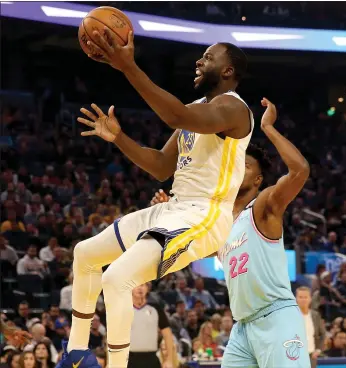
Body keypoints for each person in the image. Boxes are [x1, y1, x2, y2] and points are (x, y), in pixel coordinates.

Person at [58, 29, 253, 368]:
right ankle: (76, 353)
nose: (199, 60)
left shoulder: (234, 109)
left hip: (206, 214)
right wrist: (119, 138)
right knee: (86, 254)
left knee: (117, 279)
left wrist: (128, 67)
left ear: (228, 71)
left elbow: (175, 115)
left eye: (208, 57)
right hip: (174, 208)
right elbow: (162, 166)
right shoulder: (197, 108)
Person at [151, 99, 311, 367]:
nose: (238, 168)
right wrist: (167, 213)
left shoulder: (262, 206)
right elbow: (189, 246)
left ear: (259, 180)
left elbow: (300, 170)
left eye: (246, 166)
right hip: (242, 327)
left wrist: (268, 127)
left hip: (276, 317)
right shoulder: (221, 221)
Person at [128, 283, 174, 368]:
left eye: (143, 285)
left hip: (151, 359)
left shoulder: (156, 308)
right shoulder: (123, 309)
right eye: (137, 285)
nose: (140, 288)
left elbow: (167, 335)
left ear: (148, 288)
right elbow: (113, 336)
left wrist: (169, 359)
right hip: (128, 359)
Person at [296, 286, 325, 368]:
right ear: (296, 299)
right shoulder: (291, 316)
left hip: (311, 356)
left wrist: (318, 350)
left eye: (305, 297)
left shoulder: (315, 315)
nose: (303, 299)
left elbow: (323, 334)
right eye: (300, 297)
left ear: (310, 298)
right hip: (294, 357)